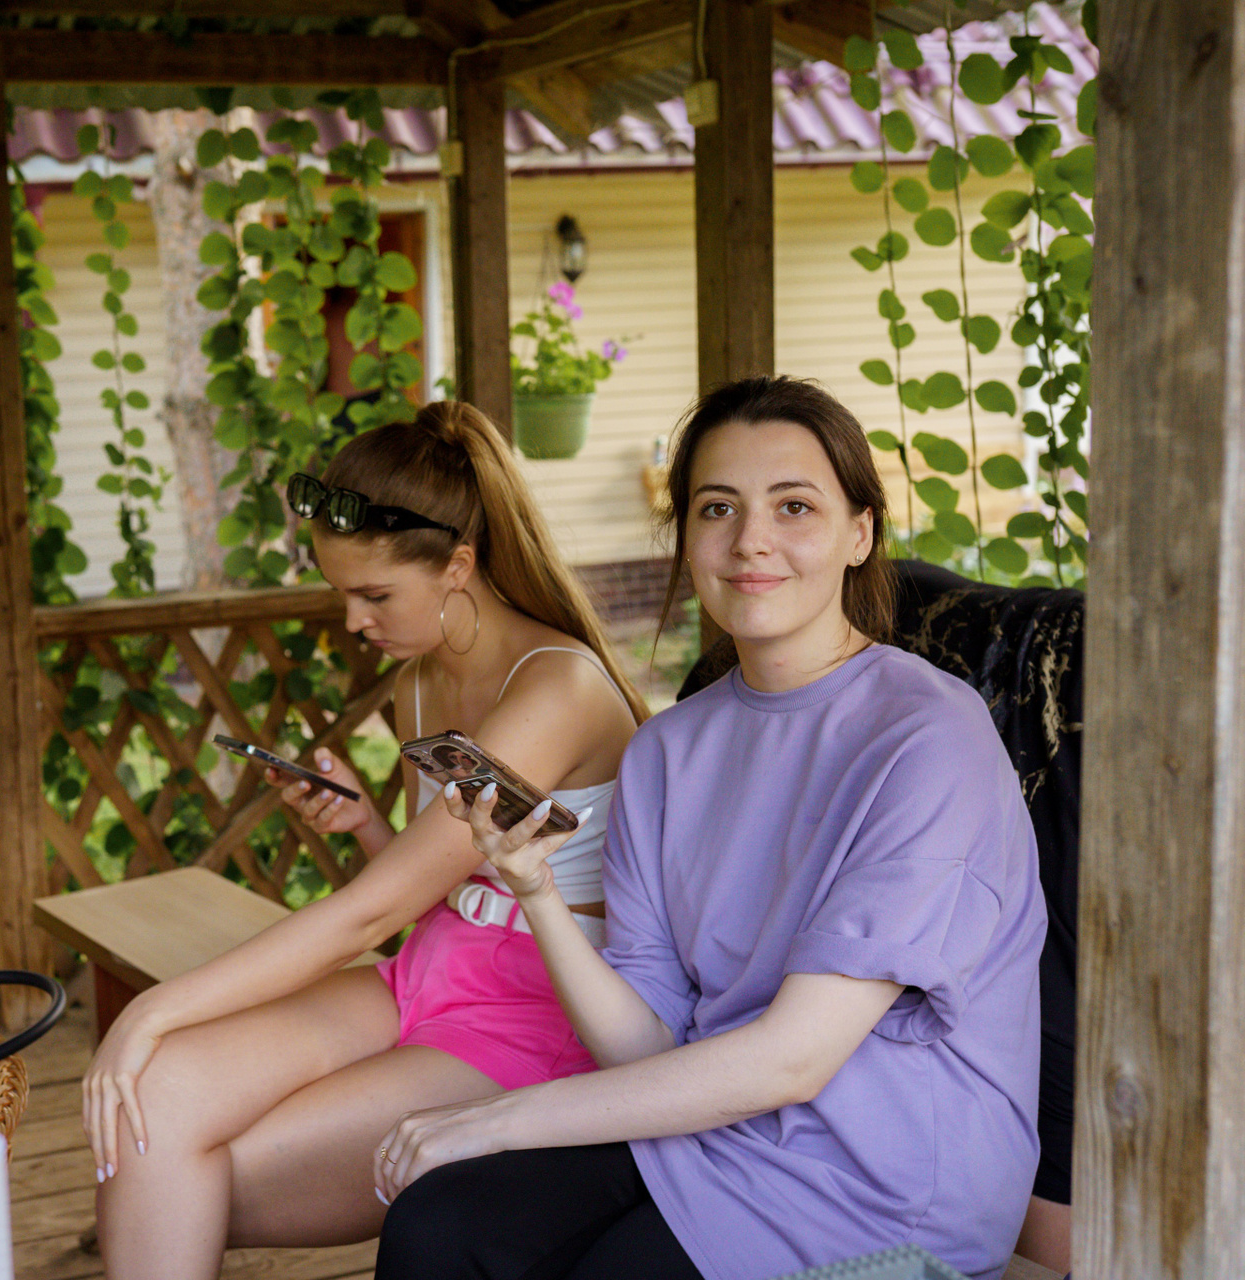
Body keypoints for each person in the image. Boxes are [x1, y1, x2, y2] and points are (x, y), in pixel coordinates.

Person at [373, 377, 1047, 1280]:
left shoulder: (927, 738)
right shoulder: (668, 751)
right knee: (437, 1228)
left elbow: (792, 1061)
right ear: (686, 536)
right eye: (717, 508)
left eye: (794, 506)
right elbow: (644, 1041)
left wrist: (497, 1121)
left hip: (884, 1199)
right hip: (709, 1131)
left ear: (860, 534)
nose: (750, 540)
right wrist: (535, 891)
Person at [82, 402, 648, 1279]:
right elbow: (439, 889)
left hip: (542, 1009)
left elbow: (368, 914)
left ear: (458, 565)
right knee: (150, 1107)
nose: (352, 620)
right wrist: (370, 826)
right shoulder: (418, 684)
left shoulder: (556, 688)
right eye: (342, 593)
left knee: (168, 1164)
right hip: (426, 971)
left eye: (374, 595)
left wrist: (151, 1010)